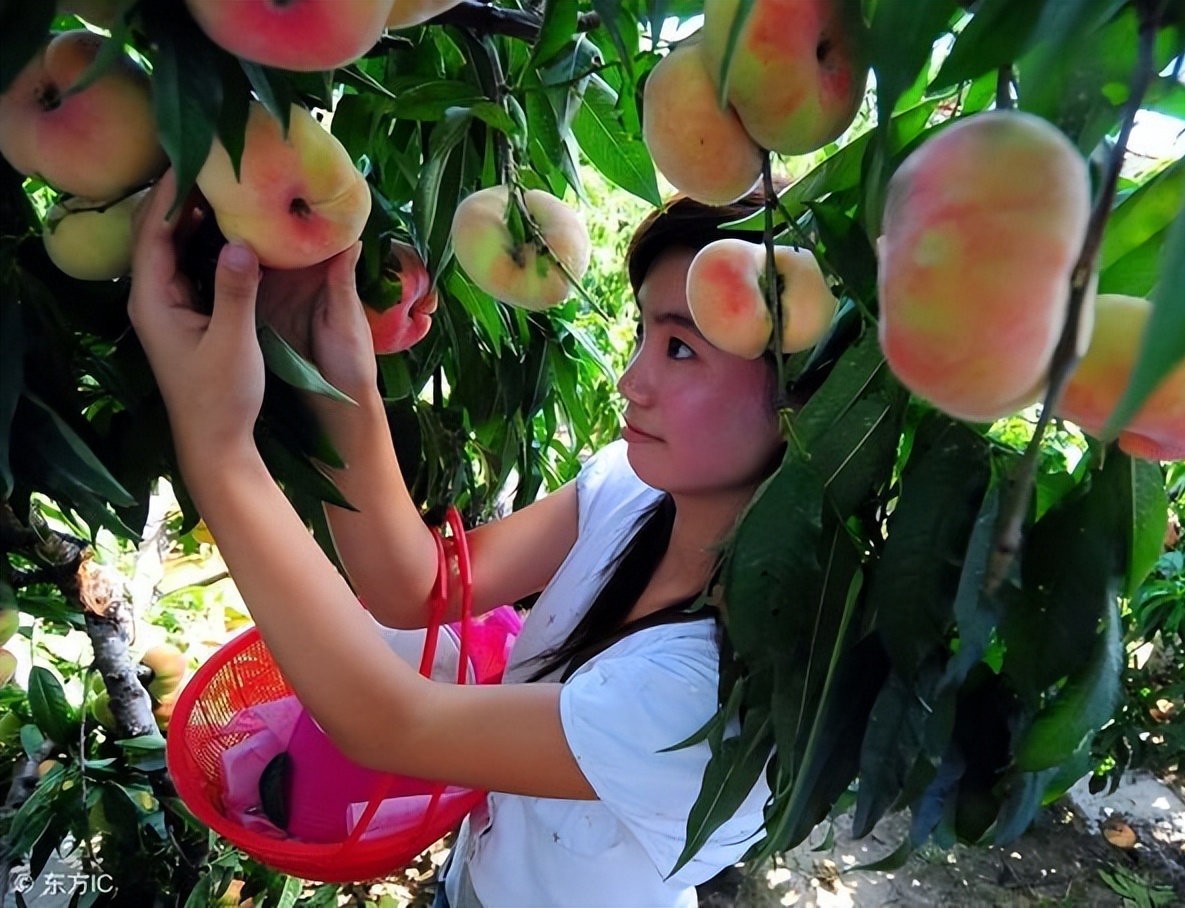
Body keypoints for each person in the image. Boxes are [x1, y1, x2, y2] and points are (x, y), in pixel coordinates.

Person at [128, 171, 805, 907]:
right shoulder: (635, 491)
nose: (632, 381)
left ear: (805, 396)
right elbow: (418, 585)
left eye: (681, 350)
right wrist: (334, 371)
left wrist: (217, 451)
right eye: (645, 334)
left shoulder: (709, 692)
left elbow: (391, 723)